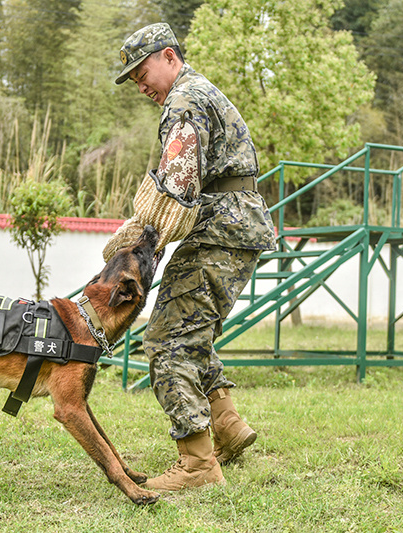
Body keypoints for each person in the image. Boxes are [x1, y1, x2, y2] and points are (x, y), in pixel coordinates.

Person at [103, 23, 277, 491]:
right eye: (134, 80)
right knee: (191, 332)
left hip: (220, 232)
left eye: (143, 73)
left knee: (166, 341)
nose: (141, 86)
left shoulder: (182, 102)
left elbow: (176, 188)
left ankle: (198, 465)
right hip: (233, 228)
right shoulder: (199, 92)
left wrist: (136, 243)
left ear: (168, 57)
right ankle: (227, 425)